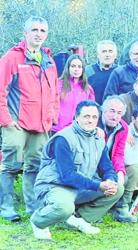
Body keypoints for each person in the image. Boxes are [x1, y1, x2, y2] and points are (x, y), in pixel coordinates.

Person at [30, 101, 122, 240]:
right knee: (64, 207)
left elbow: (107, 167)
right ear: (76, 117)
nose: (90, 120)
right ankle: (38, 221)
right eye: (86, 116)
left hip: (80, 186)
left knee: (117, 189)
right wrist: (98, 185)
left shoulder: (98, 138)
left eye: (94, 117)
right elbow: (67, 176)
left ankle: (77, 220)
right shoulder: (64, 138)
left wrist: (110, 180)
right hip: (56, 186)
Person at [0, 16, 59, 222]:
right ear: (25, 33)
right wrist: (5, 120)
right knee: (11, 166)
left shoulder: (49, 60)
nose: (38, 34)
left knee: (35, 167)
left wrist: (52, 115)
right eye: (34, 30)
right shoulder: (12, 58)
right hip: (16, 123)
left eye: (43, 30)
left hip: (41, 125)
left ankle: (33, 208)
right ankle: (6, 207)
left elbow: (55, 93)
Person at [97, 96, 135, 222]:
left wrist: (119, 171)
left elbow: (119, 154)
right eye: (112, 111)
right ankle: (90, 210)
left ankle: (119, 209)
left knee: (123, 178)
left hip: (108, 166)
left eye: (119, 113)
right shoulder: (94, 123)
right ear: (103, 111)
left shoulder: (123, 127)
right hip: (92, 165)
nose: (115, 116)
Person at [52, 54, 95, 133]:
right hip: (57, 129)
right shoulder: (57, 84)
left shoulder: (87, 89)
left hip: (77, 131)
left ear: (83, 69)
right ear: (68, 68)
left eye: (79, 67)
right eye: (73, 66)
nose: (76, 69)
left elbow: (91, 111)